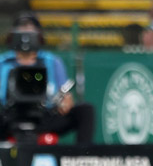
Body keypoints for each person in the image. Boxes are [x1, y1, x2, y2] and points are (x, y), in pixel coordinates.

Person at [0, 13, 95, 144]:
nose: (26, 35)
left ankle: (82, 157)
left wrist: (65, 102)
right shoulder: (2, 62)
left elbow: (66, 97)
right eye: (22, 30)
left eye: (31, 30)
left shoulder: (52, 61)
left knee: (85, 110)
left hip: (44, 116)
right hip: (10, 117)